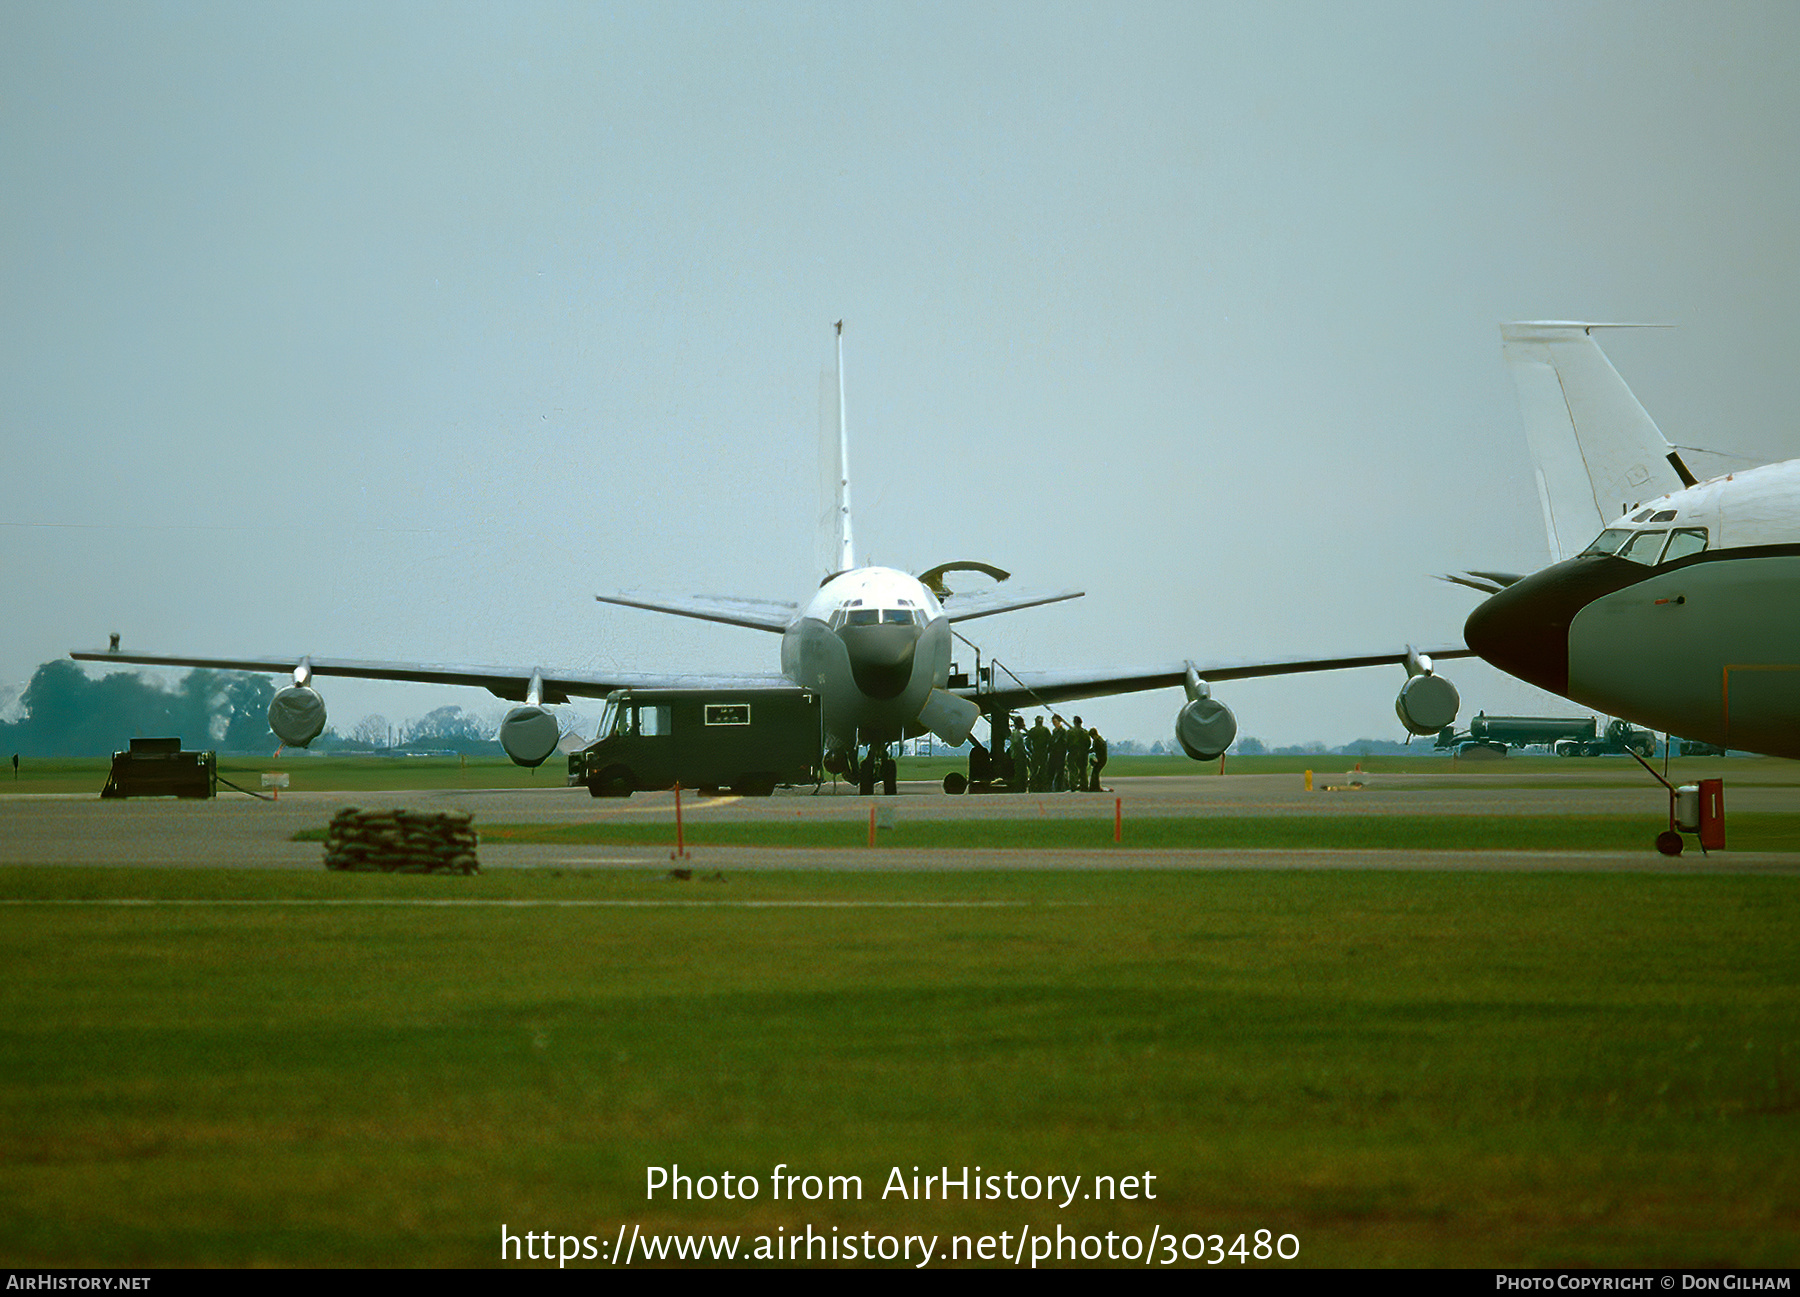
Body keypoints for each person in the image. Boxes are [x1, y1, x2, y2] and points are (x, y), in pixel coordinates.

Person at [1026, 716, 1051, 791]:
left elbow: (1027, 743)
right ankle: (1043, 787)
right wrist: (1047, 750)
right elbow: (1051, 742)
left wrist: (1031, 751)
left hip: (1035, 753)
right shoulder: (1045, 730)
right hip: (1043, 753)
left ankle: (1033, 787)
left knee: (1034, 771)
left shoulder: (1033, 730)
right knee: (1043, 770)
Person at [1067, 716, 1090, 793]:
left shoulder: (1070, 732)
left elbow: (1066, 742)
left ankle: (1073, 785)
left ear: (1074, 722)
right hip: (1083, 753)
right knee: (1083, 770)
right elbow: (1088, 743)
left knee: (1073, 769)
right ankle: (1084, 785)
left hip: (1073, 752)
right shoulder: (1085, 732)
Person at [1047, 716, 1069, 792]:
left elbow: (1064, 743)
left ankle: (1059, 788)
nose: (1054, 723)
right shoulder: (1054, 731)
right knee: (1051, 771)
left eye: (1055, 722)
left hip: (1060, 754)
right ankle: (1052, 787)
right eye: (1053, 722)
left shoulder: (1063, 732)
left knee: (1060, 772)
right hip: (1053, 754)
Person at [1007, 716, 1029, 792]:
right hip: (1019, 758)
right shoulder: (1017, 734)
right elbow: (1017, 744)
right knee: (1021, 776)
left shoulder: (1014, 734)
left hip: (1017, 757)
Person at [1087, 724, 1108, 791]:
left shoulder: (1097, 741)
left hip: (1101, 759)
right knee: (1095, 773)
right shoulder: (1100, 739)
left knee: (1095, 773)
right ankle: (1095, 787)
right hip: (1102, 759)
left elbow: (1094, 749)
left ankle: (1094, 787)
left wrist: (1087, 751)